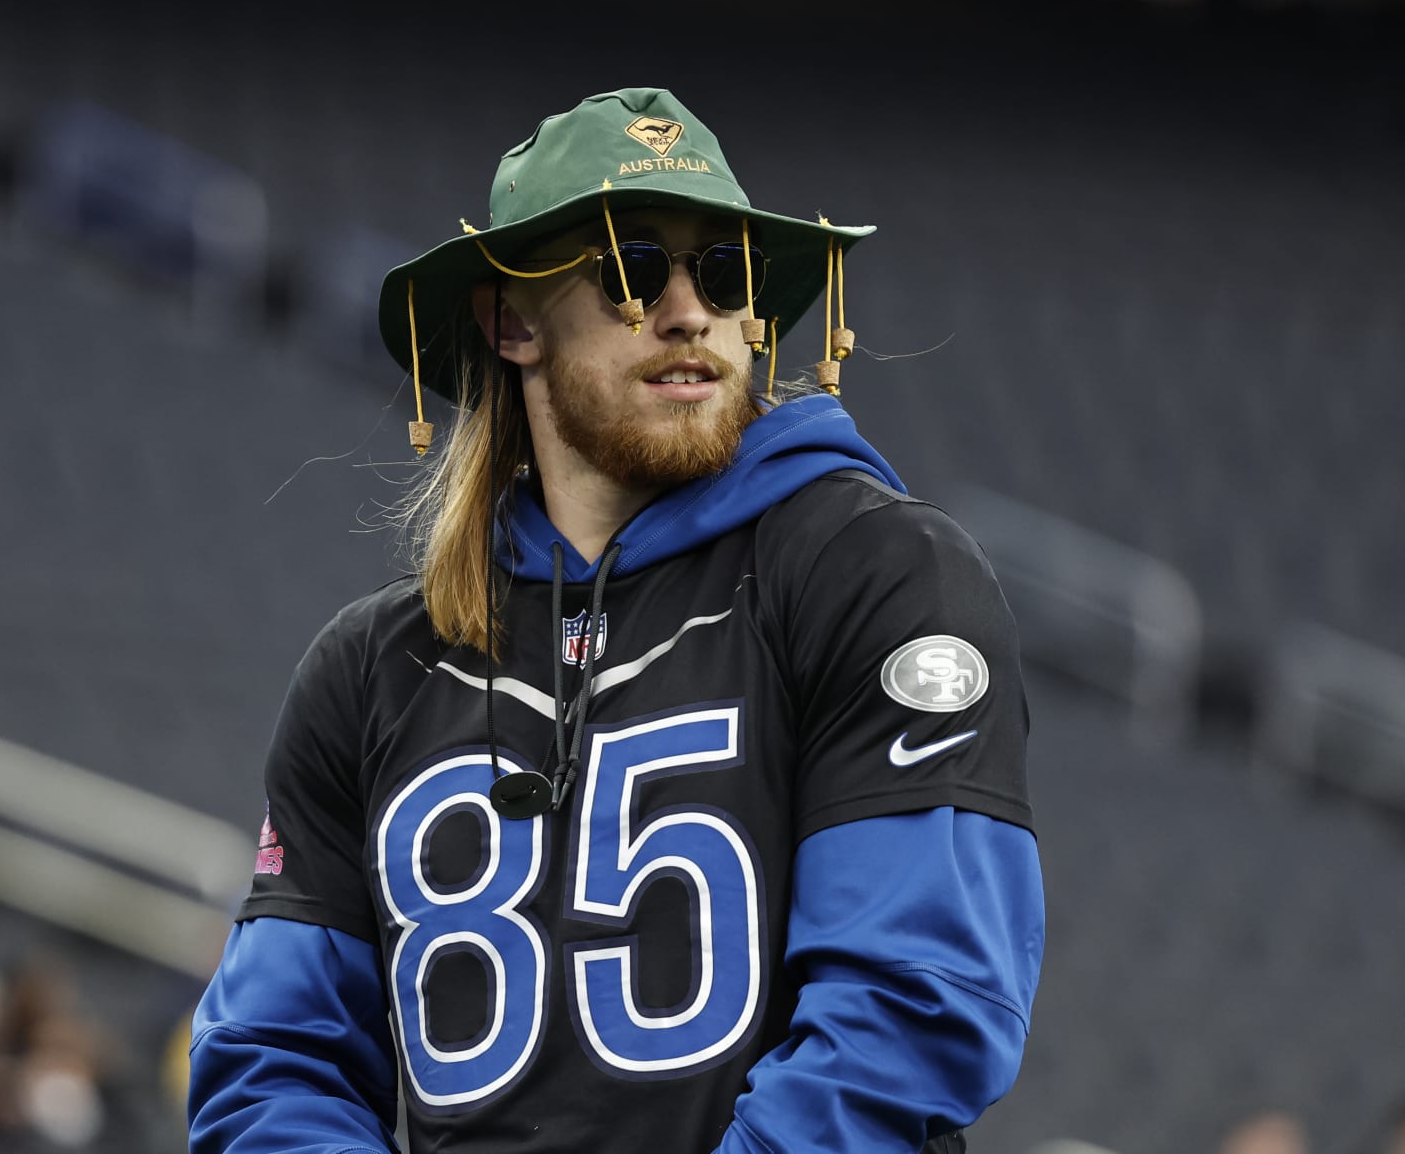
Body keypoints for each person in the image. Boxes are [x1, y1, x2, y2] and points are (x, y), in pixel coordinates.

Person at [188, 86, 1044, 1153]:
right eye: (632, 272)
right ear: (512, 322)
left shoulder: (875, 571)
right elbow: (272, 1064)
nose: (689, 312)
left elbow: (914, 1006)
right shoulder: (370, 670)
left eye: (724, 274)